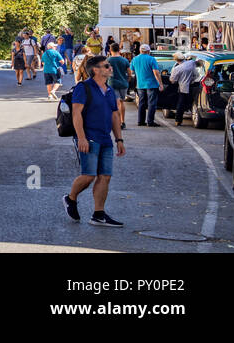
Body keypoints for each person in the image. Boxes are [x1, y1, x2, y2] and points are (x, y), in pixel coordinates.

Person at [63, 55, 126, 228]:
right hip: (89, 137)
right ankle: (70, 198)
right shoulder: (83, 88)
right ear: (95, 70)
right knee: (89, 175)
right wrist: (81, 137)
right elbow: (76, 114)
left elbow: (115, 115)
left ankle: (98, 214)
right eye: (106, 66)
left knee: (105, 176)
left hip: (105, 138)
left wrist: (119, 139)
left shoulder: (109, 90)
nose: (110, 68)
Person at [130, 45, 163, 126]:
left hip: (140, 85)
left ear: (140, 50)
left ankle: (140, 121)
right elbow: (156, 72)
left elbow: (131, 72)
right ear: (148, 51)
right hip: (151, 84)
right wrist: (160, 84)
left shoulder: (135, 59)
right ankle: (150, 121)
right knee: (151, 103)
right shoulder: (151, 59)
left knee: (142, 103)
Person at [170, 54, 202, 126]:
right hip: (194, 85)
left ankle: (178, 120)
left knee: (180, 104)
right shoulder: (191, 63)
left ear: (176, 60)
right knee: (193, 102)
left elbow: (172, 80)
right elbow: (197, 68)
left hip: (183, 88)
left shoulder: (177, 68)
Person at [106, 43, 132, 132]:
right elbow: (129, 73)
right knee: (121, 102)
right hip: (123, 84)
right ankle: (122, 122)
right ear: (119, 50)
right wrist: (126, 81)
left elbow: (106, 73)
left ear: (110, 50)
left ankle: (115, 122)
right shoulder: (124, 60)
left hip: (112, 83)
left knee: (115, 103)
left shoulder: (108, 60)